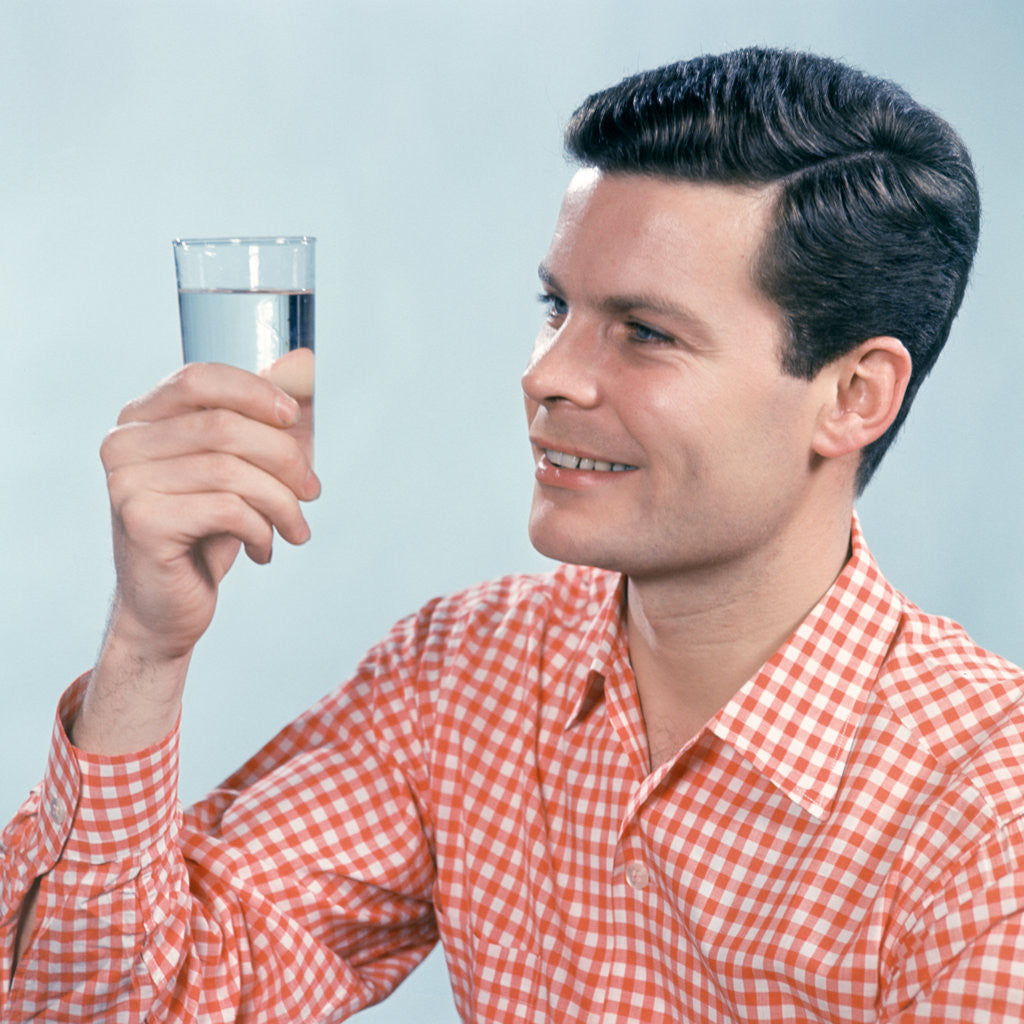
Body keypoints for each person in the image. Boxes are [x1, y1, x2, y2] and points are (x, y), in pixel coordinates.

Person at [3, 46, 1022, 1022]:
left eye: (645, 332)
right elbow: (117, 1007)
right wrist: (146, 642)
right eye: (556, 306)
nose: (546, 375)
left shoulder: (985, 809)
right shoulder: (465, 675)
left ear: (853, 395)